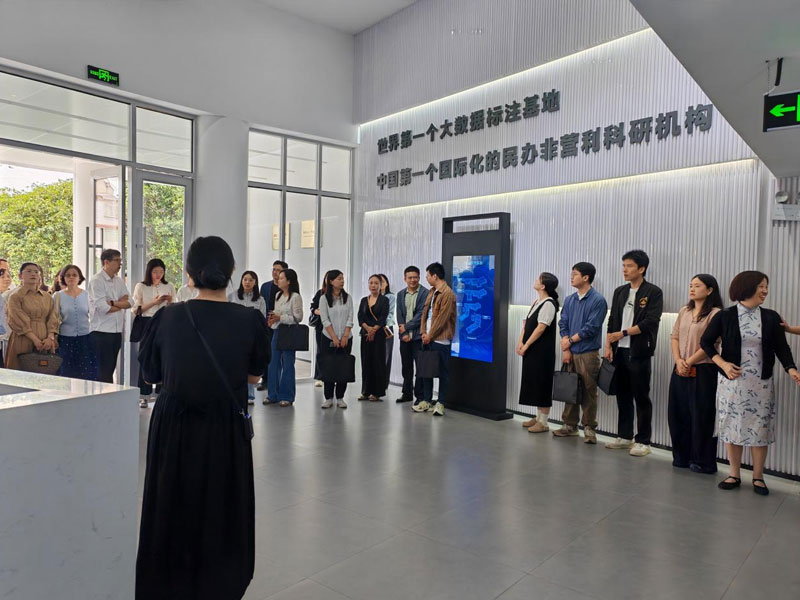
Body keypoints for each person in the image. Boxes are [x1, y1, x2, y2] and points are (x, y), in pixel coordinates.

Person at [136, 235, 267, 600]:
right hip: (224, 423)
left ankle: (169, 581)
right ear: (232, 272)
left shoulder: (167, 317)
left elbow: (150, 374)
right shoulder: (250, 320)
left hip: (174, 422)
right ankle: (219, 583)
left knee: (171, 500)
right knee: (221, 501)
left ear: (189, 274)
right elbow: (254, 376)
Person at [701, 271, 800, 496]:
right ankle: (734, 474)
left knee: (759, 428)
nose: (765, 291)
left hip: (761, 383)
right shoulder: (725, 315)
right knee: (732, 425)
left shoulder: (771, 317)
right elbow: (705, 342)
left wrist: (791, 368)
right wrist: (723, 364)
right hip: (732, 382)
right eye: (761, 286)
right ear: (747, 287)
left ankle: (758, 476)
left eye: (766, 286)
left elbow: (782, 348)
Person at [604, 250, 663, 457]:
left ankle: (643, 441)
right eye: (623, 266)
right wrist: (608, 345)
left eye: (629, 266)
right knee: (623, 395)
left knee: (641, 396)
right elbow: (612, 320)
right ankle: (624, 436)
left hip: (639, 351)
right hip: (619, 351)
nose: (625, 270)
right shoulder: (620, 291)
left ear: (641, 268)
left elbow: (650, 322)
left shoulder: (653, 292)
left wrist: (624, 333)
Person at [668, 274, 723, 474]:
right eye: (691, 285)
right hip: (680, 368)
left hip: (703, 370)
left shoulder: (716, 314)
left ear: (709, 290)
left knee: (702, 416)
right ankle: (681, 457)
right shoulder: (685, 310)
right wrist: (678, 360)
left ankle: (703, 461)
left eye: (697, 286)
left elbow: (712, 344)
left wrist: (689, 361)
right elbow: (674, 337)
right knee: (678, 413)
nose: (692, 289)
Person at [552, 262, 607, 443]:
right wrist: (566, 346)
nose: (571, 277)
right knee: (570, 388)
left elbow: (592, 327)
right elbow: (563, 322)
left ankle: (589, 428)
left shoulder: (598, 300)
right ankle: (570, 425)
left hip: (588, 352)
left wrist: (570, 341)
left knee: (589, 390)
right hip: (571, 350)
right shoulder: (569, 299)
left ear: (586, 277)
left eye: (575, 274)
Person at [517, 273, 560, 433]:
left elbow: (541, 328)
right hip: (532, 350)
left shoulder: (549, 304)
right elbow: (526, 324)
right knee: (534, 381)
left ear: (543, 286)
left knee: (542, 383)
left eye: (538, 279)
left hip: (542, 352)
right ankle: (538, 417)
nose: (535, 280)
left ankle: (544, 421)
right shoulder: (537, 302)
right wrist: (520, 342)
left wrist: (526, 344)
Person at [413, 262, 456, 416]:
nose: (426, 278)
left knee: (443, 373)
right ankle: (426, 400)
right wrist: (423, 333)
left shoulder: (447, 294)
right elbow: (424, 314)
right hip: (427, 338)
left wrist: (430, 335)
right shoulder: (432, 292)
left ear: (435, 276)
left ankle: (441, 403)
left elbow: (442, 319)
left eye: (428, 276)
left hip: (440, 340)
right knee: (426, 371)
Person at [132, 258, 176, 407]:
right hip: (147, 322)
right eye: (155, 271)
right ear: (149, 272)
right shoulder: (141, 286)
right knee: (145, 357)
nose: (158, 274)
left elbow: (174, 307)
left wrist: (169, 301)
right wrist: (154, 302)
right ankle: (143, 395)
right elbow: (136, 309)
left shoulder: (169, 286)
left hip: (164, 321)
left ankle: (160, 394)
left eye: (161, 271)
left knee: (164, 357)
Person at [4, 263, 59, 369]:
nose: (33, 274)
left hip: (45, 339)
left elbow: (53, 317)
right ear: (20, 276)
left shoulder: (47, 297)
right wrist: (35, 340)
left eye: (36, 272)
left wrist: (50, 337)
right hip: (23, 338)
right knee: (22, 370)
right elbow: (16, 319)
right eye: (29, 271)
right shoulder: (15, 297)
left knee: (44, 370)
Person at [87, 249, 130, 383]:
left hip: (116, 332)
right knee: (103, 373)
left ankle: (108, 394)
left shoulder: (118, 280)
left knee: (110, 370)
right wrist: (120, 304)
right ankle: (102, 396)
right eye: (117, 260)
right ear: (106, 262)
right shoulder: (97, 281)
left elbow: (130, 302)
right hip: (101, 332)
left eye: (120, 261)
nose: (120, 264)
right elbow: (103, 308)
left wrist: (112, 302)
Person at [228, 271, 267, 405]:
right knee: (235, 365)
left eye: (250, 280)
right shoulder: (232, 296)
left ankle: (250, 395)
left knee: (249, 365)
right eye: (245, 279)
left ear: (255, 282)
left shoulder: (260, 299)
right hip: (234, 336)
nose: (247, 282)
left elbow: (262, 319)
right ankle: (234, 393)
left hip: (251, 337)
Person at [54, 265, 98, 380]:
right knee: (66, 373)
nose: (71, 278)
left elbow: (94, 316)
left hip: (85, 339)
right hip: (65, 340)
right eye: (68, 275)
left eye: (74, 275)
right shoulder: (58, 296)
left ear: (79, 278)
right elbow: (54, 319)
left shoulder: (87, 295)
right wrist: (53, 337)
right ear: (63, 278)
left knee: (86, 373)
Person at [318, 269, 354, 408]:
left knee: (342, 367)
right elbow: (324, 319)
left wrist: (345, 336)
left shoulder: (348, 298)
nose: (342, 281)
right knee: (329, 367)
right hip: (328, 337)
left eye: (342, 278)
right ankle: (328, 398)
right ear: (331, 281)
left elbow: (350, 317)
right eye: (339, 278)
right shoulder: (324, 298)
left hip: (346, 338)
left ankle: (340, 397)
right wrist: (333, 337)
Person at [267, 268, 302, 407]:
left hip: (289, 332)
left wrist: (280, 317)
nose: (278, 280)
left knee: (288, 365)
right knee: (273, 363)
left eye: (281, 278)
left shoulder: (295, 297)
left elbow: (298, 317)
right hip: (277, 331)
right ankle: (272, 395)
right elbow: (277, 313)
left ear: (289, 281)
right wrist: (272, 320)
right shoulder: (278, 295)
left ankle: (287, 396)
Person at [395, 266, 429, 403]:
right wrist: (403, 332)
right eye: (410, 277)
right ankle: (406, 393)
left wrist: (407, 327)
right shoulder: (400, 294)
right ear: (405, 279)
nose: (413, 280)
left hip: (418, 337)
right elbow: (399, 314)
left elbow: (421, 314)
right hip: (404, 337)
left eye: (415, 277)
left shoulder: (425, 293)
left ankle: (420, 396)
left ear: (419, 278)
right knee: (406, 366)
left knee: (420, 367)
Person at [258, 260, 287, 393]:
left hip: (281, 325)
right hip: (267, 324)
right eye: (273, 269)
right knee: (266, 352)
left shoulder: (285, 288)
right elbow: (261, 304)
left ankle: (277, 382)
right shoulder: (265, 286)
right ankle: (265, 380)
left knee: (279, 356)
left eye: (278, 270)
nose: (274, 272)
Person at [358, 275, 389, 401]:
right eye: (371, 283)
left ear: (381, 285)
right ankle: (365, 391)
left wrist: (374, 330)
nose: (373, 285)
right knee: (366, 362)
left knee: (378, 363)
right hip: (365, 335)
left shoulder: (384, 300)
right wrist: (368, 329)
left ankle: (377, 392)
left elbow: (383, 317)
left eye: (376, 283)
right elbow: (360, 317)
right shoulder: (364, 300)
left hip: (378, 336)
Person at [309, 274, 328, 387]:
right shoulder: (320, 293)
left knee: (333, 352)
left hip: (335, 327)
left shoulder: (342, 295)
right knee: (321, 351)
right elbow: (313, 308)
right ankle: (320, 377)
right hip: (321, 326)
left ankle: (332, 375)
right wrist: (321, 312)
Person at [379, 274, 396, 388]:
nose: (380, 284)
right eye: (378, 282)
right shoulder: (372, 297)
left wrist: (381, 324)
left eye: (383, 282)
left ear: (387, 283)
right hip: (374, 329)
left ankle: (384, 383)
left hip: (386, 328)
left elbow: (390, 314)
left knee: (386, 356)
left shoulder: (391, 297)